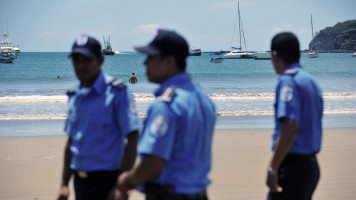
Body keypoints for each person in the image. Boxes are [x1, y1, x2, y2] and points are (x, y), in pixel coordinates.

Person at [109, 29, 216, 200]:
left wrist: (126, 181)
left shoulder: (166, 105)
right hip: (199, 193)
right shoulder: (202, 98)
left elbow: (152, 164)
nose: (145, 63)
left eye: (151, 57)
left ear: (169, 61)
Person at [57, 35, 139, 200]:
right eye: (76, 60)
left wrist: (122, 184)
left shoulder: (117, 93)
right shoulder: (74, 95)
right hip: (80, 181)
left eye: (87, 60)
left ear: (100, 60)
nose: (81, 66)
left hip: (109, 182)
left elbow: (133, 136)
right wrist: (64, 184)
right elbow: (71, 142)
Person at [266, 32, 323, 200]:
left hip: (293, 168)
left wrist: (273, 167)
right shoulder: (310, 81)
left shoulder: (288, 81)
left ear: (275, 55)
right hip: (311, 166)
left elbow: (290, 127)